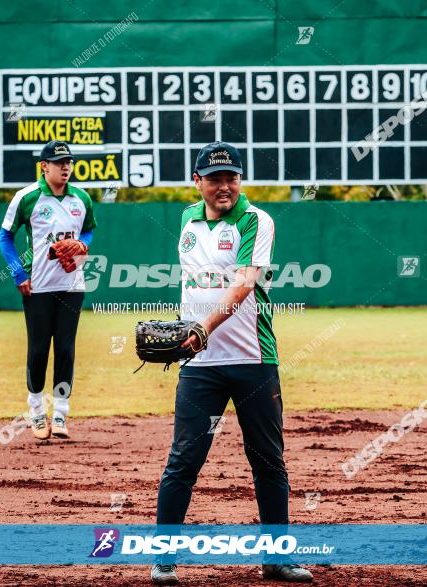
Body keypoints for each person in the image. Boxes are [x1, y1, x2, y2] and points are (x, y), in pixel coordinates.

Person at [149, 142, 312, 585]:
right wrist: (190, 331)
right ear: (196, 181)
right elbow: (195, 283)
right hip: (199, 365)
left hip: (253, 360)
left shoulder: (256, 220)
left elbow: (242, 285)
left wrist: (201, 328)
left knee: (267, 460)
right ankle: (164, 559)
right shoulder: (186, 219)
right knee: (183, 460)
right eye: (215, 177)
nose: (225, 185)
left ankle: (275, 558)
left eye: (232, 177)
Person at [0, 140, 96, 441]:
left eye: (69, 162)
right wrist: (18, 272)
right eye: (59, 162)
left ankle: (61, 414)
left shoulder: (82, 199)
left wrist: (83, 246)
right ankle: (37, 410)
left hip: (72, 285)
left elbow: (89, 229)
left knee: (65, 349)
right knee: (39, 350)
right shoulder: (27, 198)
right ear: (45, 166)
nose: (66, 167)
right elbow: (5, 237)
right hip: (37, 286)